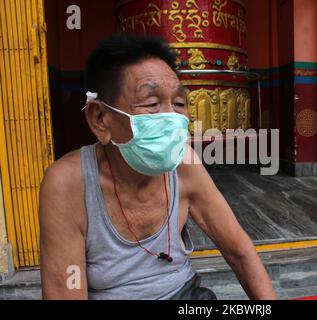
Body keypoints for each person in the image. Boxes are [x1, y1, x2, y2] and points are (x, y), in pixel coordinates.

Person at [39, 34, 276, 300]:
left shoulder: (184, 163)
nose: (171, 117)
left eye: (178, 103)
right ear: (100, 119)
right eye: (152, 104)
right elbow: (65, 291)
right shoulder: (68, 183)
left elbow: (239, 251)